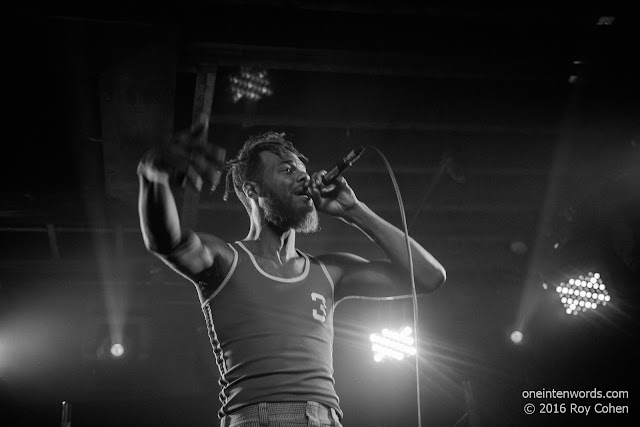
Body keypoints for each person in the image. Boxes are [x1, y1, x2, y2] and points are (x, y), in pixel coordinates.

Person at [137, 120, 446, 427]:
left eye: (301, 169)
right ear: (252, 189)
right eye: (286, 170)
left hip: (327, 420)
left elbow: (429, 277)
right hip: (259, 419)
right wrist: (152, 175)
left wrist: (354, 210)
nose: (302, 177)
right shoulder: (225, 258)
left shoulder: (329, 270)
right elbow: (168, 242)